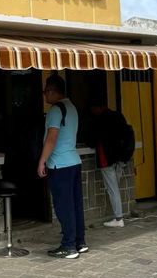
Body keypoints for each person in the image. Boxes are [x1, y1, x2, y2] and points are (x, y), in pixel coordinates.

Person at [37, 74, 87, 259]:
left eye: (45, 92)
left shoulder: (55, 110)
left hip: (60, 165)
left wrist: (42, 160)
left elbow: (51, 138)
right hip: (74, 162)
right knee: (75, 205)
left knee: (64, 207)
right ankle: (79, 242)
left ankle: (68, 246)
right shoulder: (71, 107)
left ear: (52, 91)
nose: (44, 96)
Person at [87, 97, 129, 228]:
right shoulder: (118, 115)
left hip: (106, 159)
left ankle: (118, 218)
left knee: (113, 189)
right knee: (115, 187)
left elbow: (92, 140)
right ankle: (118, 216)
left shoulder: (99, 120)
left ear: (97, 108)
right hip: (120, 158)